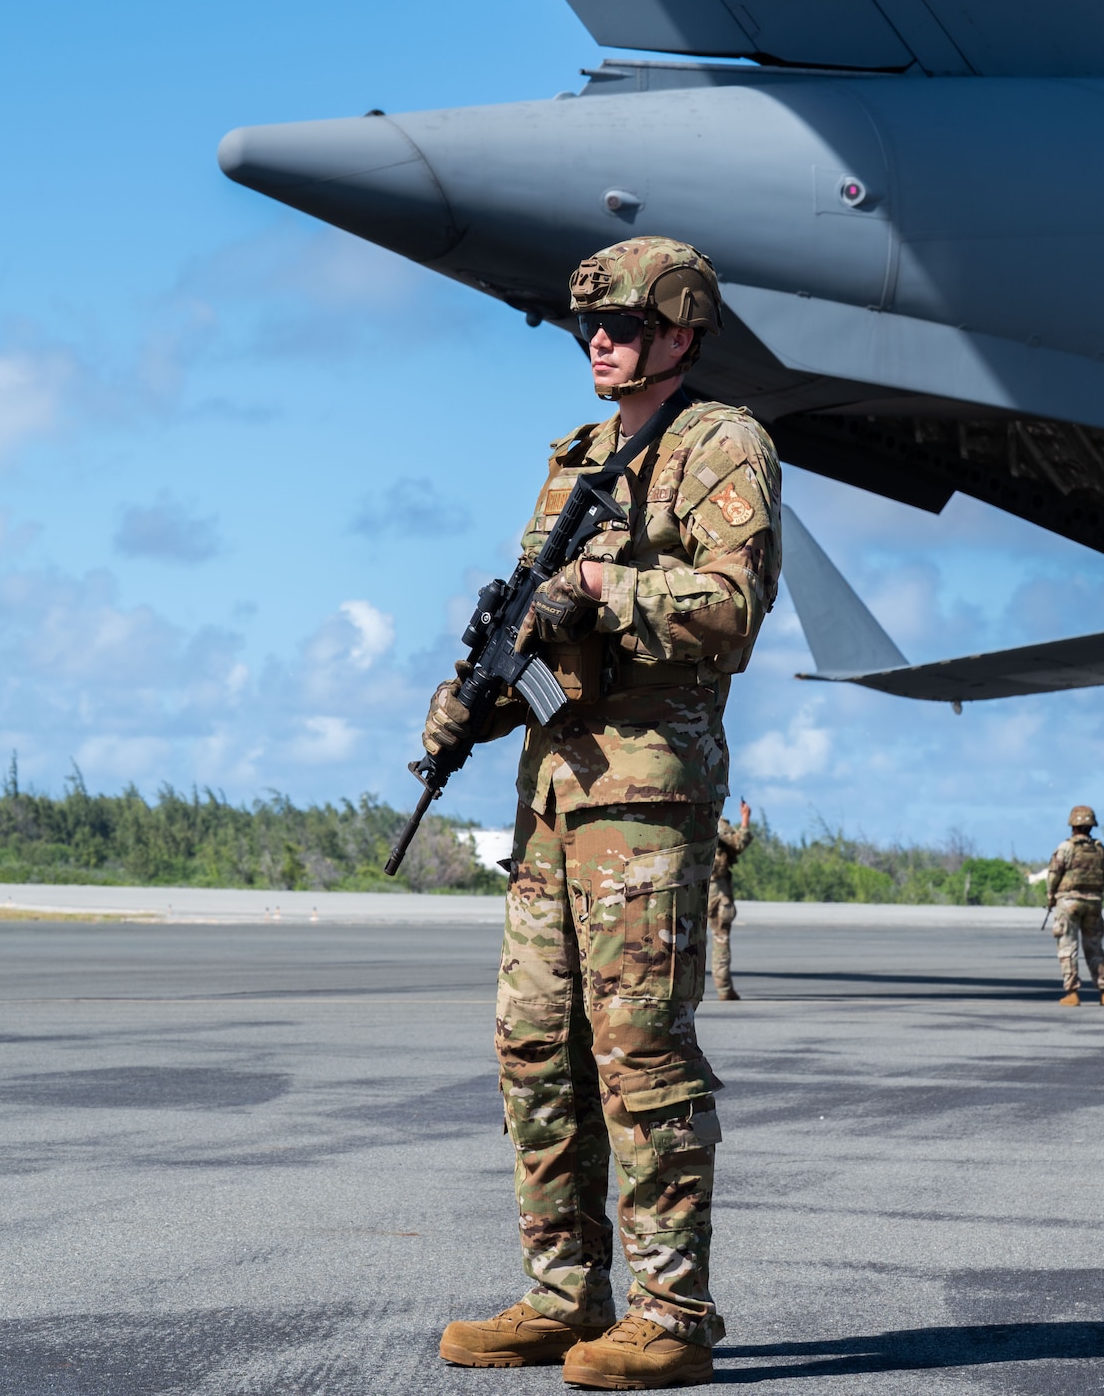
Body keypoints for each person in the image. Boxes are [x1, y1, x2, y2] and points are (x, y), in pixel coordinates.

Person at [424, 236, 780, 1390]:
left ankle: (671, 1311)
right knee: (535, 1048)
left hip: (645, 797)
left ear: (680, 328)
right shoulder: (574, 456)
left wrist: (600, 585)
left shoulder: (719, 444)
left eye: (622, 322)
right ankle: (560, 1293)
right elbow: (543, 633)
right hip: (552, 797)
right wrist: (474, 700)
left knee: (639, 1052)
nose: (600, 341)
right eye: (589, 326)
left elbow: (729, 608)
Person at [1045, 805, 1104, 1006]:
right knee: (1095, 947)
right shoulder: (1101, 850)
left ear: (1073, 825)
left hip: (1069, 902)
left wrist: (1051, 896)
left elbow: (1054, 875)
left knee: (1067, 947)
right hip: (1093, 902)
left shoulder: (1066, 848)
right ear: (1091, 826)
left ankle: (1073, 992)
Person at [708, 798, 753, 1001]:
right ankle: (724, 988)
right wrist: (745, 820)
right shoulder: (714, 819)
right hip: (716, 889)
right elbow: (738, 843)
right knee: (721, 936)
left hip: (691, 886)